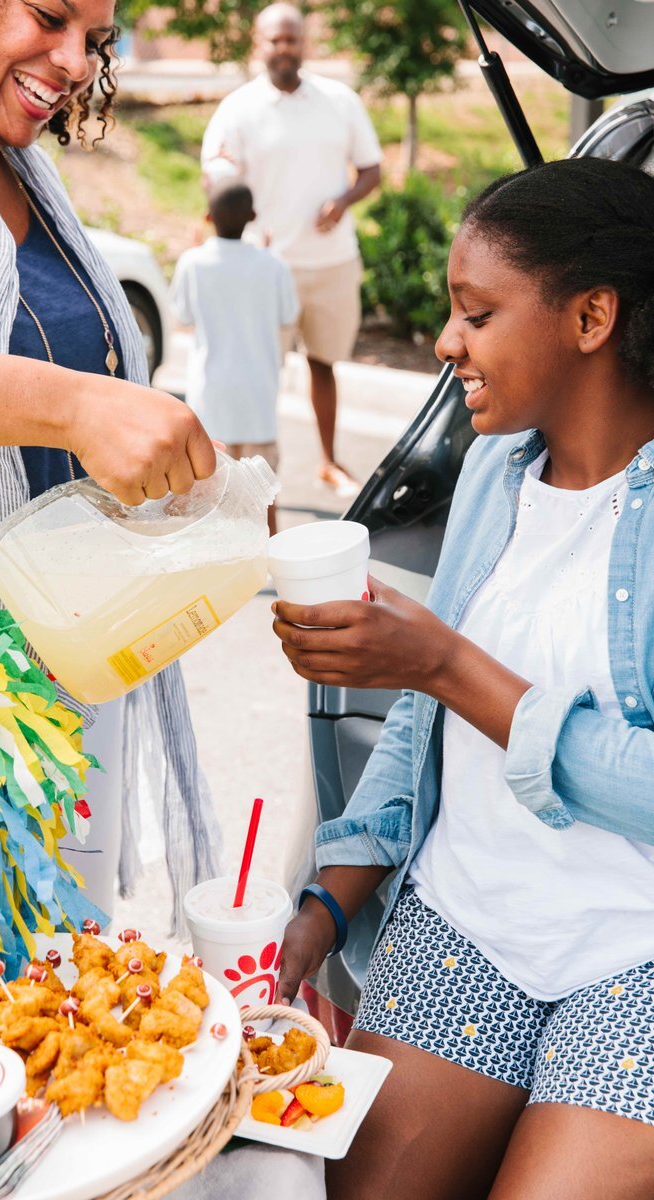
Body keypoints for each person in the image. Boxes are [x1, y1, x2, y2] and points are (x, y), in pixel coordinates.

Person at [272, 157, 654, 1199]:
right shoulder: (492, 466)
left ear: (589, 317)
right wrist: (325, 904)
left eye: (475, 315)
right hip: (467, 919)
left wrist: (441, 661)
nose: (445, 344)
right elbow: (418, 728)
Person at [0, 0, 220, 919]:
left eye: (95, 41)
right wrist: (79, 407)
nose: (73, 62)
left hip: (49, 715)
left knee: (45, 1018)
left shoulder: (35, 185)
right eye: (50, 17)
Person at [200, 2, 382, 499]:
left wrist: (343, 201)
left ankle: (329, 462)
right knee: (260, 373)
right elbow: (214, 175)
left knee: (325, 363)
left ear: (305, 42)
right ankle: (250, 475)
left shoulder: (340, 101)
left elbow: (371, 169)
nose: (283, 48)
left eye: (291, 39)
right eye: (274, 40)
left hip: (331, 262)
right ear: (259, 45)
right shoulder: (237, 108)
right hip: (264, 265)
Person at [169, 177, 298, 536]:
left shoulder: (193, 262)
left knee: (209, 494)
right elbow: (288, 315)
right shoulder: (272, 264)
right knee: (264, 490)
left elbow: (182, 316)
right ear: (253, 216)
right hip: (258, 395)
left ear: (207, 217)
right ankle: (271, 554)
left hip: (211, 395)